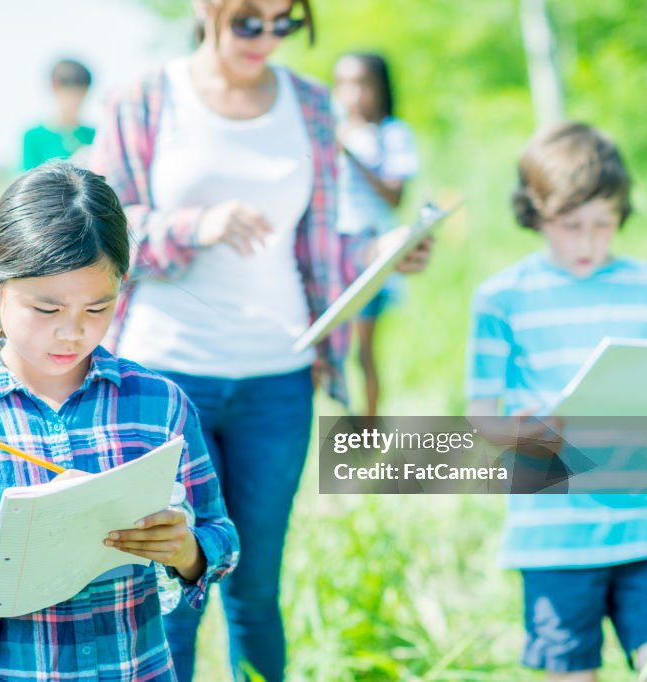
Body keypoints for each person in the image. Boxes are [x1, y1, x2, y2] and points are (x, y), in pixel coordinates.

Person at [89, 1, 429, 678]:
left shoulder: (310, 103)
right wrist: (196, 224)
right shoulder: (145, 99)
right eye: (250, 20)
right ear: (206, 9)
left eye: (285, 23)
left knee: (255, 586)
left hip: (279, 375)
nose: (267, 38)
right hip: (166, 374)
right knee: (169, 585)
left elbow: (326, 237)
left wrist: (384, 250)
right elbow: (103, 231)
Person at [0, 162, 239, 680]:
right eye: (46, 309)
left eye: (96, 309)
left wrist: (187, 550)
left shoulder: (160, 404)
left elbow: (220, 537)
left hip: (137, 667)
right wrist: (38, 537)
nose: (72, 333)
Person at [465, 122, 647, 682]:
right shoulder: (502, 298)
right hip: (552, 531)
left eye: (603, 224)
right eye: (570, 225)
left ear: (622, 214)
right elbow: (482, 414)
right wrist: (521, 431)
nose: (587, 242)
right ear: (534, 213)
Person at [332, 52, 419, 418]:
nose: (354, 94)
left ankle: (368, 428)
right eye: (345, 84)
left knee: (362, 349)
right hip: (332, 251)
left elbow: (396, 196)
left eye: (363, 83)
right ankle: (347, 418)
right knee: (332, 348)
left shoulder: (392, 133)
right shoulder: (332, 129)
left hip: (372, 253)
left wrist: (351, 156)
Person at [22, 58, 96, 169]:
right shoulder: (34, 137)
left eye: (81, 95)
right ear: (54, 86)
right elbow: (25, 182)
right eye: (70, 94)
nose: (75, 102)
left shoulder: (94, 135)